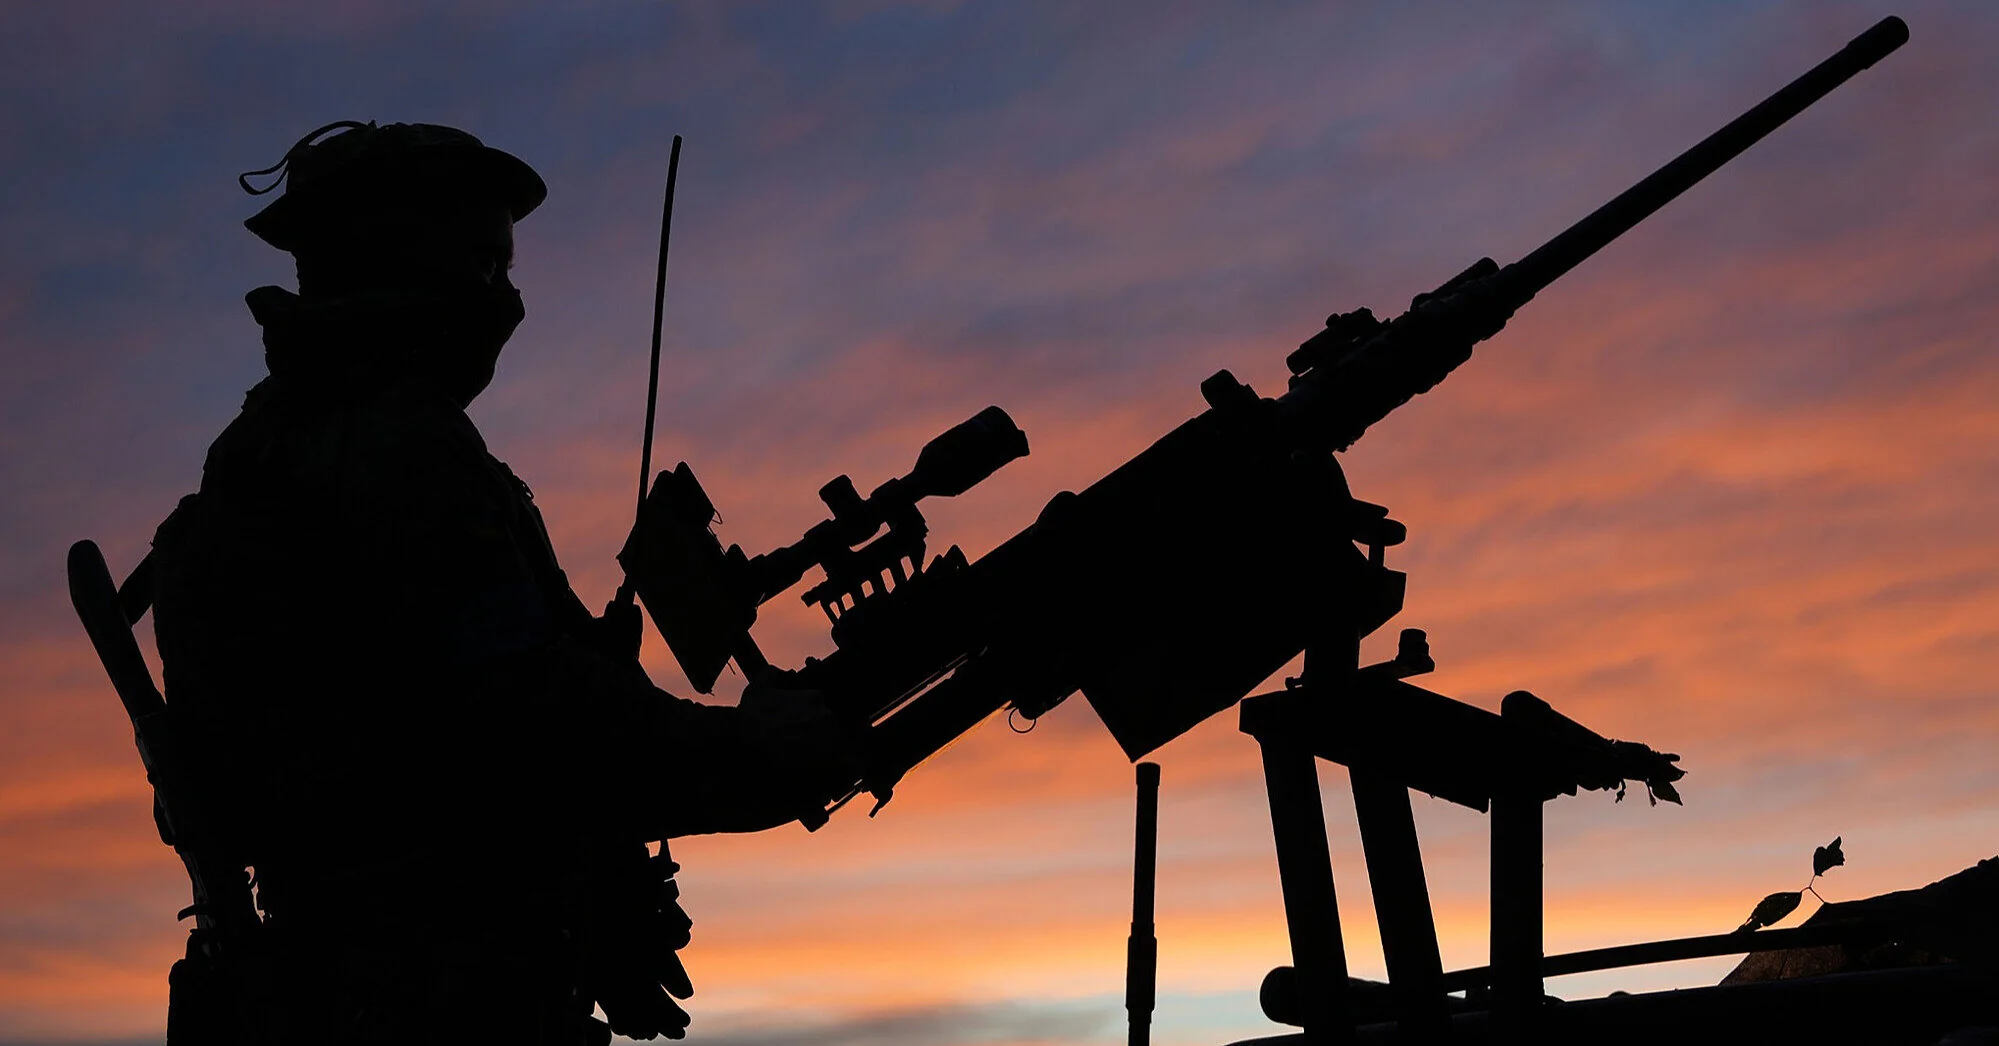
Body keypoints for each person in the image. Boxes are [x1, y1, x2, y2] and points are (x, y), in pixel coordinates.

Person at [148, 121, 856, 1045]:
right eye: (483, 264)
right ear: (394, 262)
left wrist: (588, 892)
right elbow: (533, 716)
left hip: (357, 982)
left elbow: (435, 733)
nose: (505, 300)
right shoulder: (397, 447)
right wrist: (760, 750)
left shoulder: (264, 446)